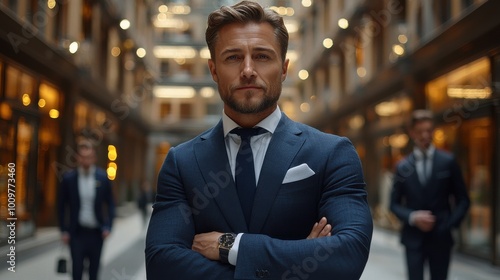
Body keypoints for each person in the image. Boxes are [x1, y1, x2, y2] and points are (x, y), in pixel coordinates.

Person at [145, 1, 373, 279]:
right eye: (232, 57)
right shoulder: (181, 162)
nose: (248, 70)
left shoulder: (333, 153)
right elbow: (162, 264)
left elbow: (348, 254)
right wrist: (300, 258)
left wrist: (230, 245)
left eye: (263, 56)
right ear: (214, 70)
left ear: (285, 68)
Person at [390, 109, 470, 280]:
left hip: (441, 238)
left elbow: (463, 200)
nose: (425, 135)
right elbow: (393, 204)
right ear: (412, 133)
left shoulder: (448, 161)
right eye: (420, 131)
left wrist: (449, 224)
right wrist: (412, 217)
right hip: (413, 238)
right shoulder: (402, 166)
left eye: (428, 130)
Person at [58, 137, 115, 280]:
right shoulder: (69, 179)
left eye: (89, 157)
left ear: (94, 157)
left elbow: (111, 203)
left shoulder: (102, 178)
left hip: (97, 233)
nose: (86, 160)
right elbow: (61, 206)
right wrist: (64, 230)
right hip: (77, 232)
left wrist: (108, 226)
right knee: (76, 270)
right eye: (83, 157)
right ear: (78, 158)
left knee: (94, 273)